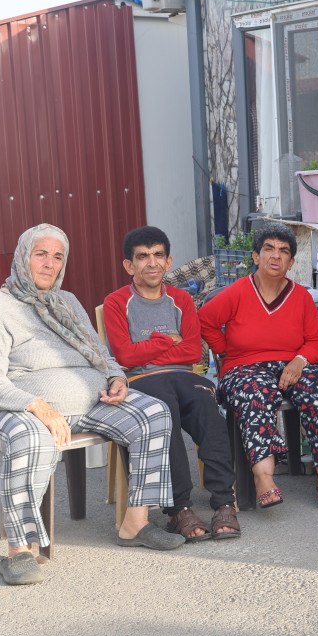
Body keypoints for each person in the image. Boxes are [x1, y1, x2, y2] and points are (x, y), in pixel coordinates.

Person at [0, 224, 184, 586]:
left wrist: (116, 378)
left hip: (90, 403)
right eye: (41, 254)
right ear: (23, 257)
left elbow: (100, 354)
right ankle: (20, 551)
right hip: (14, 407)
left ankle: (135, 524)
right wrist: (37, 406)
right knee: (31, 438)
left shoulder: (67, 301)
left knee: (154, 413)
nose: (49, 264)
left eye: (58, 257)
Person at [103, 225, 240, 542]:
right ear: (129, 265)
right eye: (142, 257)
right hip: (141, 380)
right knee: (165, 411)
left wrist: (148, 347)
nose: (151, 263)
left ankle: (224, 501)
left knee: (207, 408)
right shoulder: (116, 302)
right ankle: (178, 508)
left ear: (168, 261)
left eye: (158, 255)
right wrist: (167, 340)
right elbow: (125, 355)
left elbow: (192, 351)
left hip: (185, 376)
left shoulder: (182, 300)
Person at [198, 223, 318, 508]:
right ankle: (263, 476)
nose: (276, 256)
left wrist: (300, 360)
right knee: (256, 393)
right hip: (245, 368)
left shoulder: (301, 296)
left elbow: (315, 341)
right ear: (256, 256)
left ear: (291, 262)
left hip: (294, 364)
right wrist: (225, 350)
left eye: (283, 251)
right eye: (269, 249)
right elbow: (205, 320)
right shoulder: (238, 291)